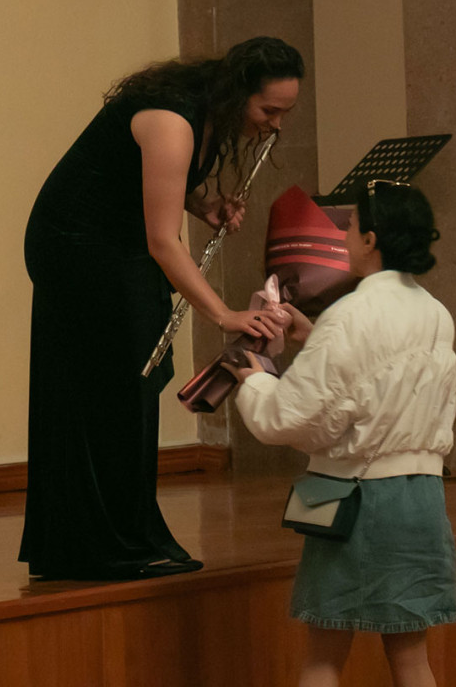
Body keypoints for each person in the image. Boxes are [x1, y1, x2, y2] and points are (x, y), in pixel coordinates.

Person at [19, 36, 304, 581]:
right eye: (269, 111)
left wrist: (204, 205)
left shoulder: (204, 110)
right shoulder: (173, 118)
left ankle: (113, 538)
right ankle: (105, 546)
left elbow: (145, 182)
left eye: (284, 114)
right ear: (238, 91)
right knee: (116, 381)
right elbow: (162, 242)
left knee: (124, 383)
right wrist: (224, 315)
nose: (276, 126)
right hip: (78, 246)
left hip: (110, 241)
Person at [232, 180, 456, 687]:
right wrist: (315, 339)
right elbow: (383, 383)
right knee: (411, 659)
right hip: (422, 498)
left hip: (358, 499)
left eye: (351, 226)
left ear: (371, 240)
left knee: (324, 657)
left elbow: (287, 419)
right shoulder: (435, 312)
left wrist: (256, 380)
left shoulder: (349, 314)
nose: (344, 236)